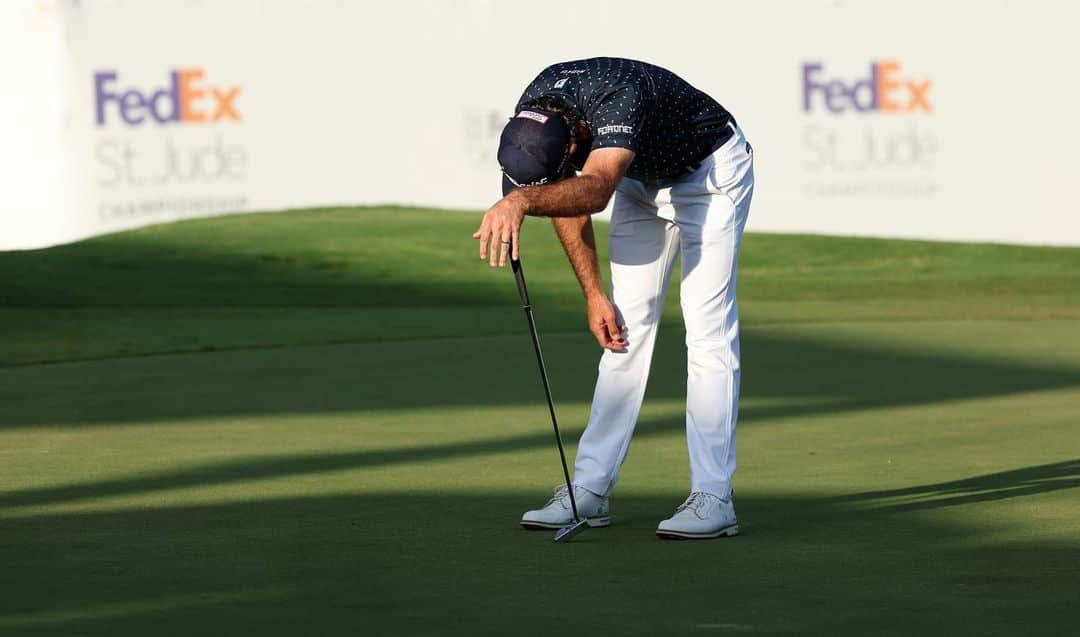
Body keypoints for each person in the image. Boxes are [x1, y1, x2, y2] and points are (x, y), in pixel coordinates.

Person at [473, 57, 754, 539]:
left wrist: (519, 202)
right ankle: (589, 489)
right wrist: (594, 295)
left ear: (578, 139)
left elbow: (596, 190)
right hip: (640, 180)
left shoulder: (618, 95)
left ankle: (714, 496)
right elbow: (567, 196)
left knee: (705, 327)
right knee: (623, 331)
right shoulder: (536, 111)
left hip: (707, 172)